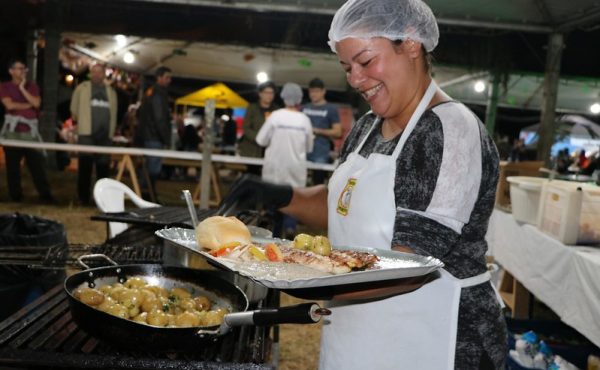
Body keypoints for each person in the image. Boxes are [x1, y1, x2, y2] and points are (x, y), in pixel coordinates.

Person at [218, 0, 506, 369]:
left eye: (366, 62)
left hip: (432, 339)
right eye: (347, 67)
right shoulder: (367, 127)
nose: (355, 79)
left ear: (412, 44)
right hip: (356, 325)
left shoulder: (449, 132)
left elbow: (410, 265)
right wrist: (279, 195)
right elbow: (345, 206)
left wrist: (296, 275)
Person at [255, 82, 313, 237]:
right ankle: (290, 229)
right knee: (292, 203)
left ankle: (272, 235)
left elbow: (260, 140)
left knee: (273, 203)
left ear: (283, 97)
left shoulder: (275, 116)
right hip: (295, 170)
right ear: (299, 99)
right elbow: (309, 147)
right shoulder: (304, 120)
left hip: (274, 169)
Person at [0, 59, 54, 203]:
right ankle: (16, 197)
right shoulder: (4, 86)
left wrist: (23, 88)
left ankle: (45, 196)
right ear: (11, 71)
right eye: (19, 68)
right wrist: (28, 105)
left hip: (30, 133)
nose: (22, 71)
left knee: (37, 165)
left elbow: (36, 103)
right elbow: (9, 105)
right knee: (13, 167)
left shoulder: (32, 86)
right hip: (13, 132)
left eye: (24, 68)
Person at [70, 63, 118, 204]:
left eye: (99, 72)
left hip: (105, 137)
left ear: (104, 74)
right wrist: (82, 124)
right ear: (91, 73)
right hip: (86, 135)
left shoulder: (111, 91)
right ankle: (83, 199)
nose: (96, 74)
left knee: (103, 170)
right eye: (94, 72)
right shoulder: (82, 89)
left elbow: (114, 113)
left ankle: (103, 200)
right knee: (85, 167)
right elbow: (74, 110)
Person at [136, 66, 172, 200]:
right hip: (154, 137)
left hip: (150, 136)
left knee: (149, 167)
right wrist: (166, 139)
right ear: (159, 77)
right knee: (153, 169)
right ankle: (147, 195)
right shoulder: (157, 94)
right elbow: (160, 119)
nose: (169, 80)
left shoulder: (151, 92)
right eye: (167, 77)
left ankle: (147, 193)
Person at [302, 77, 341, 184]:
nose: (313, 94)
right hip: (302, 150)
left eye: (316, 91)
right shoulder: (304, 108)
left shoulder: (330, 109)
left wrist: (317, 131)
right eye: (311, 91)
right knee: (299, 183)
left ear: (323, 91)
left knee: (318, 184)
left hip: (321, 153)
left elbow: (338, 132)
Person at [238, 81, 278, 175]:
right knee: (252, 175)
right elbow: (246, 127)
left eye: (271, 93)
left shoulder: (277, 110)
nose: (269, 95)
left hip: (270, 150)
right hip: (252, 150)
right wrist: (259, 138)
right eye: (266, 93)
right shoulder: (252, 108)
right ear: (260, 94)